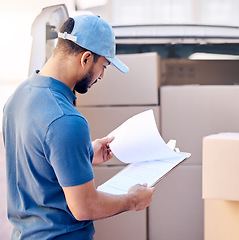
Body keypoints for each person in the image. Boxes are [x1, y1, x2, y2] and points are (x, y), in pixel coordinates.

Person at [2, 15, 155, 239]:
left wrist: (84, 154)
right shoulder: (66, 119)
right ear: (85, 58)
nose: (101, 75)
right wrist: (132, 200)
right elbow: (85, 207)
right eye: (103, 66)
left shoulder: (19, 96)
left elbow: (34, 161)